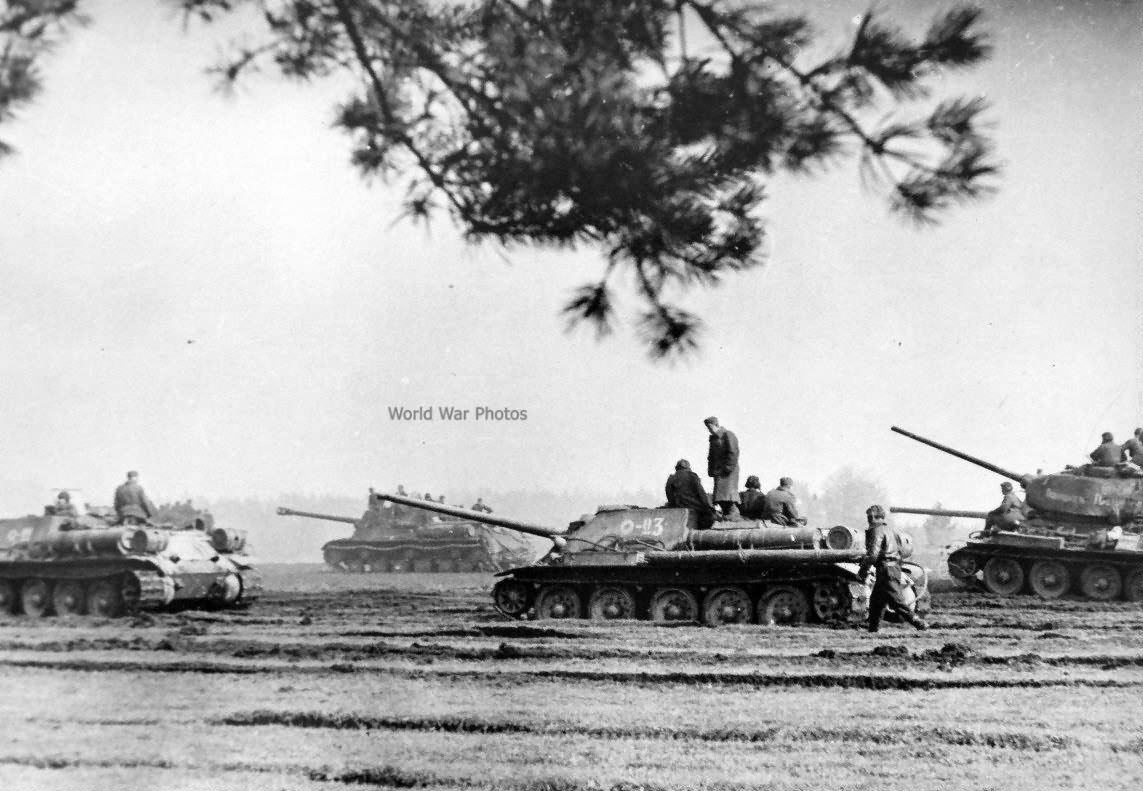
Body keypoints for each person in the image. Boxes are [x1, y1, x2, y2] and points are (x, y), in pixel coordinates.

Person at [859, 504, 928, 633]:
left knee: (896, 601)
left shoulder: (876, 530)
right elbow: (901, 551)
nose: (868, 520)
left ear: (874, 517)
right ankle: (873, 629)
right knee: (876, 602)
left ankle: (919, 622)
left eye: (869, 517)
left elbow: (873, 554)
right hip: (892, 568)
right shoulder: (891, 531)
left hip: (885, 570)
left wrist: (862, 570)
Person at [665, 459, 718, 529]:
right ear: (687, 467)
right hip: (692, 505)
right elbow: (701, 494)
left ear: (677, 468)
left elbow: (669, 495)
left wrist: (673, 505)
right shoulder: (692, 476)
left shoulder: (671, 478)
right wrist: (708, 507)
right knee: (709, 514)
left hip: (678, 506)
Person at [704, 416, 740, 518]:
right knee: (719, 495)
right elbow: (710, 457)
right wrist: (711, 470)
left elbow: (733, 451)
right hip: (718, 471)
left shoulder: (727, 434)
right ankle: (726, 513)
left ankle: (734, 513)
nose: (708, 429)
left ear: (714, 424)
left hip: (728, 471)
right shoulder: (713, 439)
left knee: (728, 493)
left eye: (709, 426)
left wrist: (728, 467)